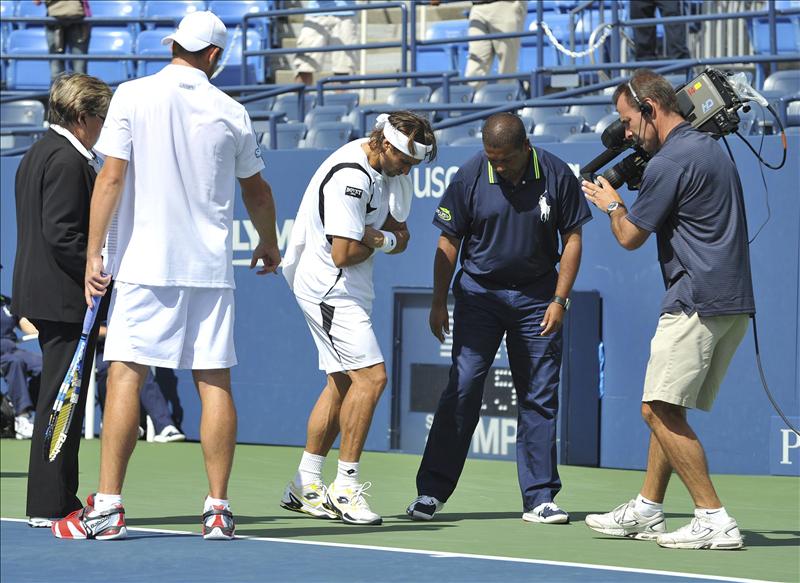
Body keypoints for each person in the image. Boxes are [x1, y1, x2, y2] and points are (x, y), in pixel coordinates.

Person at [50, 11, 281, 542]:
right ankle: (218, 510)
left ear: (177, 46)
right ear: (215, 57)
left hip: (145, 266)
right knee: (214, 380)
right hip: (208, 268)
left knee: (128, 374)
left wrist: (93, 255)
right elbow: (259, 192)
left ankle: (107, 509)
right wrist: (269, 243)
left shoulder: (131, 95)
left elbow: (110, 178)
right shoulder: (232, 111)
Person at [581, 70, 752, 550]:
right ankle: (649, 508)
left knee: (655, 409)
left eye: (628, 122)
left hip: (695, 298)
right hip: (730, 300)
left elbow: (630, 236)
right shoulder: (705, 148)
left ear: (651, 110)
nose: (627, 134)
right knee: (668, 406)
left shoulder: (669, 163)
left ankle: (713, 517)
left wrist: (612, 204)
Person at [406, 112, 591, 524]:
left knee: (539, 395)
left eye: (504, 159)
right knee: (463, 386)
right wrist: (439, 300)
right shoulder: (472, 173)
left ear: (526, 148)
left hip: (537, 298)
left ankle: (540, 498)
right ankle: (431, 493)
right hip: (479, 298)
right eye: (492, 158)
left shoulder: (557, 174)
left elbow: (573, 238)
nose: (498, 166)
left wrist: (560, 300)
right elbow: (448, 239)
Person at [280, 111, 437, 525]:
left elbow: (399, 236)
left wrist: (379, 238)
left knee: (343, 381)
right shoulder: (351, 176)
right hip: (328, 286)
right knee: (373, 378)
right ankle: (346, 487)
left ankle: (304, 484)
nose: (408, 169)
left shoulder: (394, 171)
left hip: (349, 286)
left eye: (413, 164)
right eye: (404, 160)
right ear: (383, 143)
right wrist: (385, 240)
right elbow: (344, 253)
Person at [11, 72, 111, 528]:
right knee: (61, 401)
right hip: (62, 298)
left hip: (45, 294)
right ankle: (51, 504)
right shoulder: (68, 161)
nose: (105, 125)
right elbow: (63, 234)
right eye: (101, 117)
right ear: (81, 116)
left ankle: (52, 498)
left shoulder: (38, 153)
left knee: (58, 398)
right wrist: (98, 273)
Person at [94, 320, 185, 443]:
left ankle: (165, 426)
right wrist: (113, 332)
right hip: (102, 349)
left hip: (132, 344)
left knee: (141, 371)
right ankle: (120, 423)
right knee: (110, 370)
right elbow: (91, 327)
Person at [0, 292, 41, 440]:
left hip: (13, 349)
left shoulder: (7, 302)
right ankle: (22, 417)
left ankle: (19, 401)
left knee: (45, 366)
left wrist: (48, 331)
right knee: (15, 363)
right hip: (4, 354)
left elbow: (26, 325)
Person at [293, 0, 358, 86]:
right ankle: (302, 99)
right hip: (315, 13)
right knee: (304, 67)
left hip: (346, 13)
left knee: (343, 70)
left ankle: (340, 99)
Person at [464, 0, 526, 87]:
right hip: (477, 7)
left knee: (507, 65)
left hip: (506, 5)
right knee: (475, 62)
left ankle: (506, 97)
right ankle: (471, 97)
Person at [33, 0, 92, 81]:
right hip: (77, 18)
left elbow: (37, 2)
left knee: (56, 70)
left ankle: (59, 92)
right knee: (80, 71)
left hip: (55, 19)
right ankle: (79, 93)